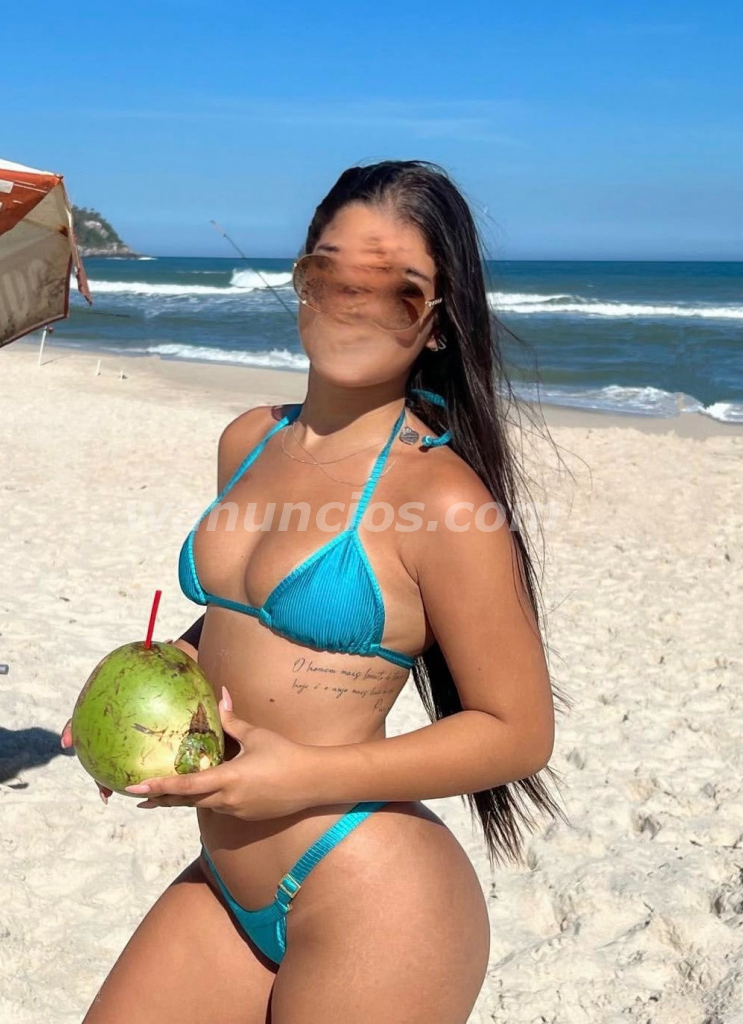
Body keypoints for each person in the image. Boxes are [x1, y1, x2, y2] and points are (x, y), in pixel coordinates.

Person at [61, 160, 566, 1023]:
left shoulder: (441, 500)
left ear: (438, 324)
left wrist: (303, 777)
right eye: (329, 274)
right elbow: (242, 619)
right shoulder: (249, 441)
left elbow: (518, 733)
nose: (353, 302)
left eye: (399, 290)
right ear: (299, 281)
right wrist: (149, 684)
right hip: (229, 880)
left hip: (371, 891)